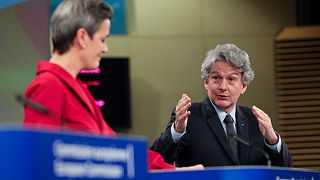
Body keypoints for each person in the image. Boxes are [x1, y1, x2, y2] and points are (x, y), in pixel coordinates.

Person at [23, 0, 203, 171]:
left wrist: (174, 171)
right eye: (103, 39)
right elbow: (39, 164)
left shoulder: (77, 89)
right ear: (82, 37)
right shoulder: (48, 86)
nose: (105, 48)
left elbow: (119, 150)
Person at [151, 44, 292, 167]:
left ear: (244, 86)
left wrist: (273, 141)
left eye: (231, 79)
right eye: (216, 78)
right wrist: (176, 132)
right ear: (206, 82)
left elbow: (285, 170)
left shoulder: (255, 120)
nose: (223, 86)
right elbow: (155, 162)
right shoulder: (189, 116)